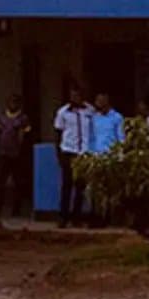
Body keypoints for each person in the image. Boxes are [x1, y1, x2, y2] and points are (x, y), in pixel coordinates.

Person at [53, 87, 93, 228]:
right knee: (67, 185)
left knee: (80, 186)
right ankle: (63, 216)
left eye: (78, 95)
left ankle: (77, 217)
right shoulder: (63, 112)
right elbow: (58, 133)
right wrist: (59, 153)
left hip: (83, 153)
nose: (76, 98)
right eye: (73, 95)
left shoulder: (90, 111)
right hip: (68, 151)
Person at [0, 95, 32, 220]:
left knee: (18, 182)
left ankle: (17, 208)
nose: (12, 105)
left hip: (17, 155)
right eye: (10, 102)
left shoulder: (23, 119)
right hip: (4, 154)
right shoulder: (1, 117)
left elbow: (25, 136)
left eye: (15, 103)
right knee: (1, 182)